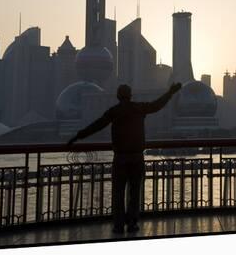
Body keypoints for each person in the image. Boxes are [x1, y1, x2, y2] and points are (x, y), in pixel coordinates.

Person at [67, 82, 182, 234]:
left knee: (118, 193)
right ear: (130, 95)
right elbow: (157, 105)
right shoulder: (139, 108)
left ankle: (118, 225)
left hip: (120, 158)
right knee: (134, 193)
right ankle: (133, 223)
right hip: (137, 157)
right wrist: (170, 92)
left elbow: (96, 125)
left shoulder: (114, 111)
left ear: (117, 96)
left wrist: (77, 136)